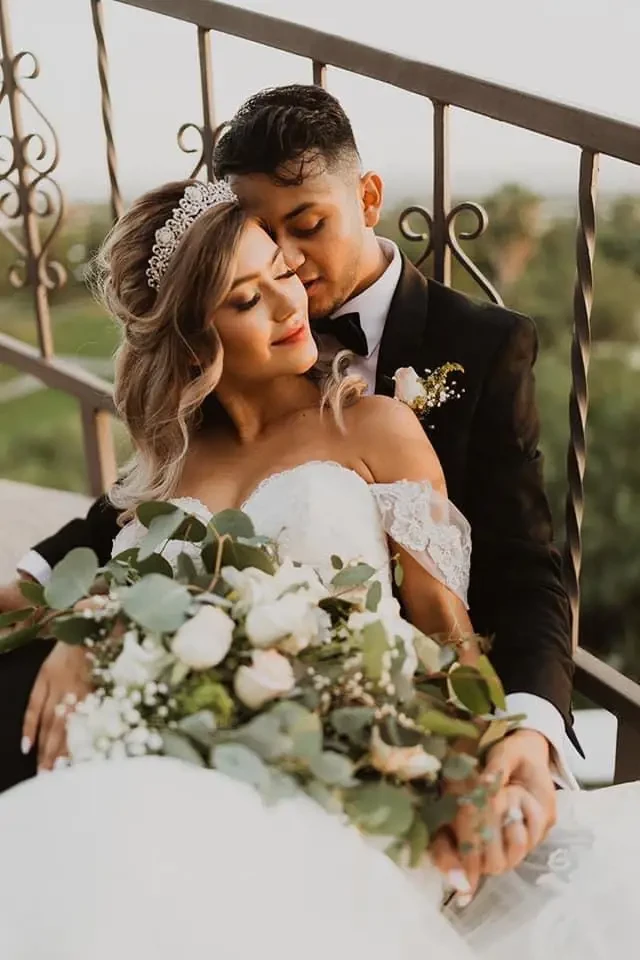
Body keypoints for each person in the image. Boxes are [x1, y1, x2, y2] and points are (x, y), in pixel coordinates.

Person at [0, 177, 637, 960]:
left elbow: (448, 633)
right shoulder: (166, 467)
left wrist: (475, 761)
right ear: (194, 340)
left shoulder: (374, 426)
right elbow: (120, 580)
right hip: (177, 765)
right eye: (245, 299)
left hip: (341, 772)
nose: (288, 302)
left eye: (280, 270)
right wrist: (88, 625)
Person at [0, 87, 574, 841]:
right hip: (181, 746)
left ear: (368, 198)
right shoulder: (182, 447)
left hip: (350, 735)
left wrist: (516, 731)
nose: (293, 280)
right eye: (260, 252)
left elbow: (508, 581)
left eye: (304, 231)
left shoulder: (467, 355)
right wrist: (85, 624)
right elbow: (127, 526)